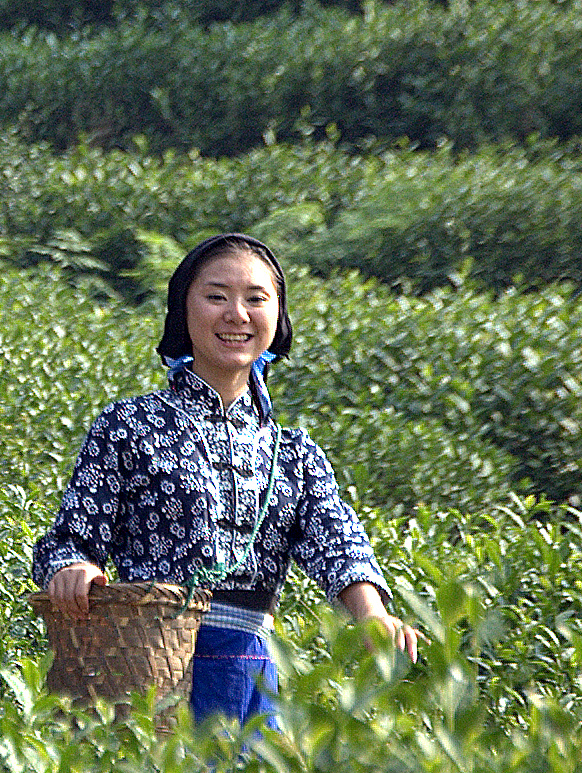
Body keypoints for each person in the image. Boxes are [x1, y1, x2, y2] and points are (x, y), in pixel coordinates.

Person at [33, 233, 420, 731]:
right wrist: (74, 569)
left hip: (250, 670)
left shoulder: (293, 451)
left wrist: (373, 617)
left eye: (256, 299)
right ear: (183, 310)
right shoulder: (129, 425)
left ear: (277, 316)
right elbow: (70, 539)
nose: (237, 314)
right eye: (216, 296)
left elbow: (339, 542)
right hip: (148, 661)